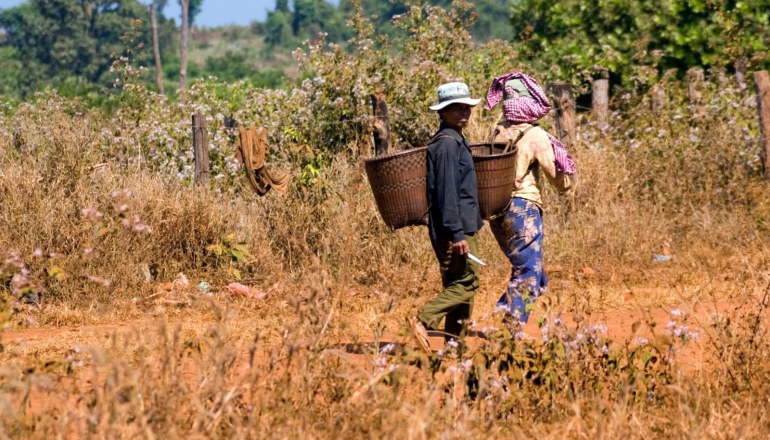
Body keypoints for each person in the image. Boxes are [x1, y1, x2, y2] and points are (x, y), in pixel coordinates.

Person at [484, 72, 577, 326]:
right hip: (523, 210)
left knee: (528, 267)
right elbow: (558, 178)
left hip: (495, 212)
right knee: (529, 273)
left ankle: (548, 323)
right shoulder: (536, 136)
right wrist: (569, 182)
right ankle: (509, 325)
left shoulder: (498, 131)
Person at [408, 82, 484, 353]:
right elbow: (446, 192)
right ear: (442, 113)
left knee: (458, 285)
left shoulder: (455, 140)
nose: (463, 112)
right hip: (456, 228)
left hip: (463, 226)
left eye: (466, 107)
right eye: (456, 108)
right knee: (468, 282)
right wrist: (457, 234)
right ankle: (422, 319)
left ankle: (454, 348)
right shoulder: (447, 145)